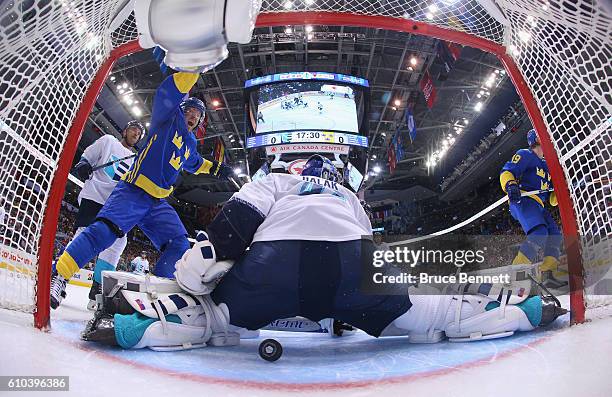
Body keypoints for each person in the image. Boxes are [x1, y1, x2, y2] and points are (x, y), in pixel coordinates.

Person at [83, 154, 566, 350]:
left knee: (215, 309)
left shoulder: (276, 179)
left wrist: (196, 273)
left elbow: (231, 231)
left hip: (275, 268)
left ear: (290, 166)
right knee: (425, 309)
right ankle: (519, 309)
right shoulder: (348, 195)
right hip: (350, 270)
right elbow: (367, 253)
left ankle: (137, 322)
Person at [52, 71, 233, 308]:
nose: (193, 116)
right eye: (189, 110)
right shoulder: (166, 119)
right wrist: (194, 68)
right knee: (104, 232)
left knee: (179, 243)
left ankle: (155, 298)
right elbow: (169, 92)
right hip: (134, 190)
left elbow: (195, 163)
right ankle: (58, 275)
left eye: (197, 115)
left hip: (157, 202)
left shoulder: (189, 143)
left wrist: (217, 168)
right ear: (180, 111)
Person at [50, 121, 143, 310]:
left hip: (115, 206)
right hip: (95, 196)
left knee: (118, 243)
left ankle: (98, 293)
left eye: (140, 133)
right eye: (134, 129)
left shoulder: (137, 159)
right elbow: (87, 157)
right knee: (83, 235)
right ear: (124, 130)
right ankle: (58, 278)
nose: (137, 134)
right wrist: (84, 164)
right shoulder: (108, 141)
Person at [500, 129, 567, 288]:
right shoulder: (525, 154)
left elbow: (552, 200)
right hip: (523, 199)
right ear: (537, 138)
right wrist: (510, 184)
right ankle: (516, 273)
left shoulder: (548, 166)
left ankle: (547, 274)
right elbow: (507, 171)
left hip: (539, 205)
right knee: (539, 233)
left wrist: (562, 193)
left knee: (555, 236)